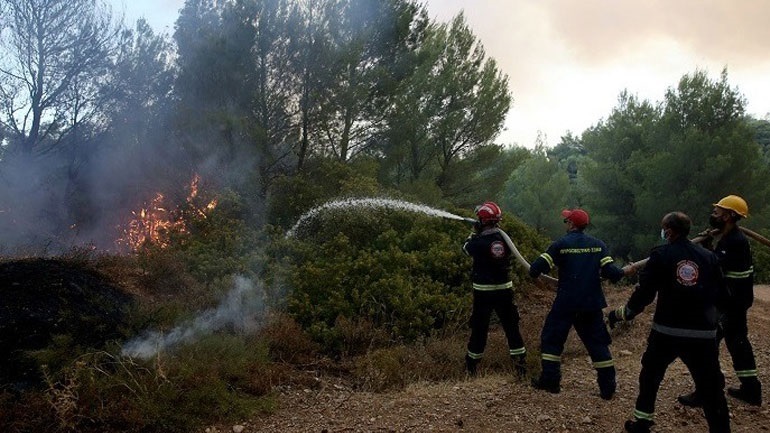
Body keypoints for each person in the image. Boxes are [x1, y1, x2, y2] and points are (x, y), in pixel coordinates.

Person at [607, 211, 731, 433]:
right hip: (702, 336)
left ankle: (642, 423)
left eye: (664, 228)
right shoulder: (709, 257)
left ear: (670, 231)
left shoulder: (661, 255)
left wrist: (625, 313)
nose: (663, 232)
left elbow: (644, 293)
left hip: (667, 333)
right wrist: (715, 323)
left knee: (650, 377)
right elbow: (722, 296)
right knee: (711, 387)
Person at [528, 208, 631, 399]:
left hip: (566, 303)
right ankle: (608, 388)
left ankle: (550, 382)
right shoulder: (598, 245)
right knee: (598, 344)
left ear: (572, 225)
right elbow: (612, 273)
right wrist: (625, 271)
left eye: (566, 221)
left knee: (552, 340)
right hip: (591, 303)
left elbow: (535, 269)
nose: (565, 224)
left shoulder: (560, 245)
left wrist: (538, 272)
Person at [678, 195, 762, 407]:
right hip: (737, 302)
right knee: (738, 343)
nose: (713, 215)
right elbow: (718, 261)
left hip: (729, 305)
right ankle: (751, 389)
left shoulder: (734, 241)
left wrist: (702, 246)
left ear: (729, 216)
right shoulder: (731, 238)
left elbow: (713, 266)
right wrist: (709, 244)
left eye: (717, 212)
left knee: (705, 346)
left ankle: (707, 391)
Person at [462, 201, 527, 377]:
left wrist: (473, 233)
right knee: (511, 327)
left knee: (479, 328)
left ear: (482, 221)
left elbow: (466, 248)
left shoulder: (478, 242)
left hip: (484, 293)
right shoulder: (504, 240)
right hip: (505, 291)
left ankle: (471, 367)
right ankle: (521, 366)